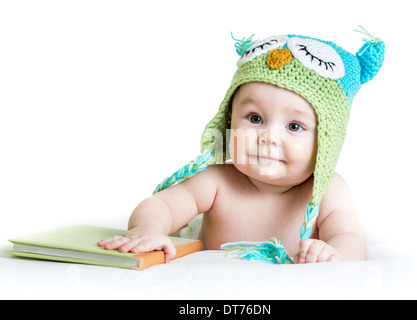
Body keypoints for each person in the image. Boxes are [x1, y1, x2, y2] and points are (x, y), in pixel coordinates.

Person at [98, 28, 385, 264]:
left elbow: (350, 240)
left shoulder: (328, 192)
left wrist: (333, 254)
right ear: (229, 120)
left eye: (294, 126)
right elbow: (160, 205)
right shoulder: (217, 180)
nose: (268, 137)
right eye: (255, 118)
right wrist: (149, 228)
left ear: (327, 141)